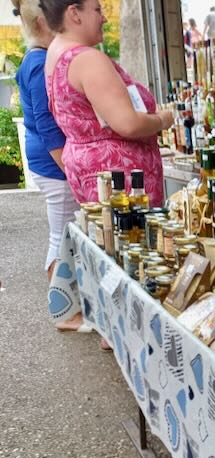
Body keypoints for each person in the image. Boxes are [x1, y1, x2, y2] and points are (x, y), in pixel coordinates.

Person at [39, 0, 173, 207]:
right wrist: (162, 120)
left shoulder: (56, 52)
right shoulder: (87, 59)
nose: (104, 18)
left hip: (92, 171)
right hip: (120, 181)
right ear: (74, 13)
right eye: (97, 10)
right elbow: (128, 124)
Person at [12, 0, 84, 331]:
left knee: (60, 232)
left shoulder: (33, 59)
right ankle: (64, 312)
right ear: (43, 22)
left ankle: (63, 303)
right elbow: (45, 119)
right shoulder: (40, 62)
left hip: (43, 157)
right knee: (61, 234)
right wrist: (66, 163)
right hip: (51, 160)